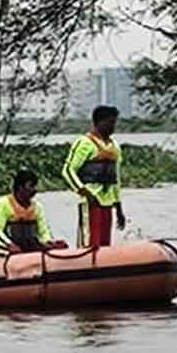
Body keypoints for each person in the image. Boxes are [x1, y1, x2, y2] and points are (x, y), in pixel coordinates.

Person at [62, 105, 126, 247]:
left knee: (104, 243)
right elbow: (68, 170)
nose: (113, 127)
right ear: (100, 122)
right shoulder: (84, 143)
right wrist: (84, 192)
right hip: (90, 201)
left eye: (114, 123)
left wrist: (119, 207)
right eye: (110, 123)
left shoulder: (114, 146)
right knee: (90, 242)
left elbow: (116, 179)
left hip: (108, 202)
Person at [0, 170, 68, 254]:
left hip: (30, 247)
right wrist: (9, 245)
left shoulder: (37, 207)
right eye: (31, 186)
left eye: (35, 186)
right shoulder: (4, 203)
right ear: (20, 187)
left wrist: (48, 242)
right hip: (8, 250)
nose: (34, 190)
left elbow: (43, 231)